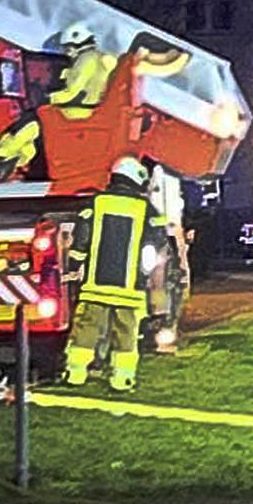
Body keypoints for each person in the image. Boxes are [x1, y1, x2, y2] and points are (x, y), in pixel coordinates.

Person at [62, 157, 160, 393]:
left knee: (86, 328)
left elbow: (81, 238)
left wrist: (75, 263)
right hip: (129, 286)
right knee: (126, 331)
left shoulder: (96, 203)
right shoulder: (145, 208)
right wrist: (144, 276)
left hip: (95, 284)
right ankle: (122, 377)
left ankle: (75, 373)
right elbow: (154, 243)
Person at [0, 23, 117, 176]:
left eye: (68, 48)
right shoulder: (103, 58)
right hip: (88, 110)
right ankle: (15, 160)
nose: (67, 52)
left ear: (76, 44)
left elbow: (72, 92)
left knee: (28, 124)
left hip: (72, 109)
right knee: (36, 132)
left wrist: (47, 98)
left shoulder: (85, 60)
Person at [144, 160, 190, 354]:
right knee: (169, 286)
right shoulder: (166, 172)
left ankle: (164, 330)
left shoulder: (165, 174)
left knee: (169, 286)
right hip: (161, 239)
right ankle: (163, 330)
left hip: (162, 239)